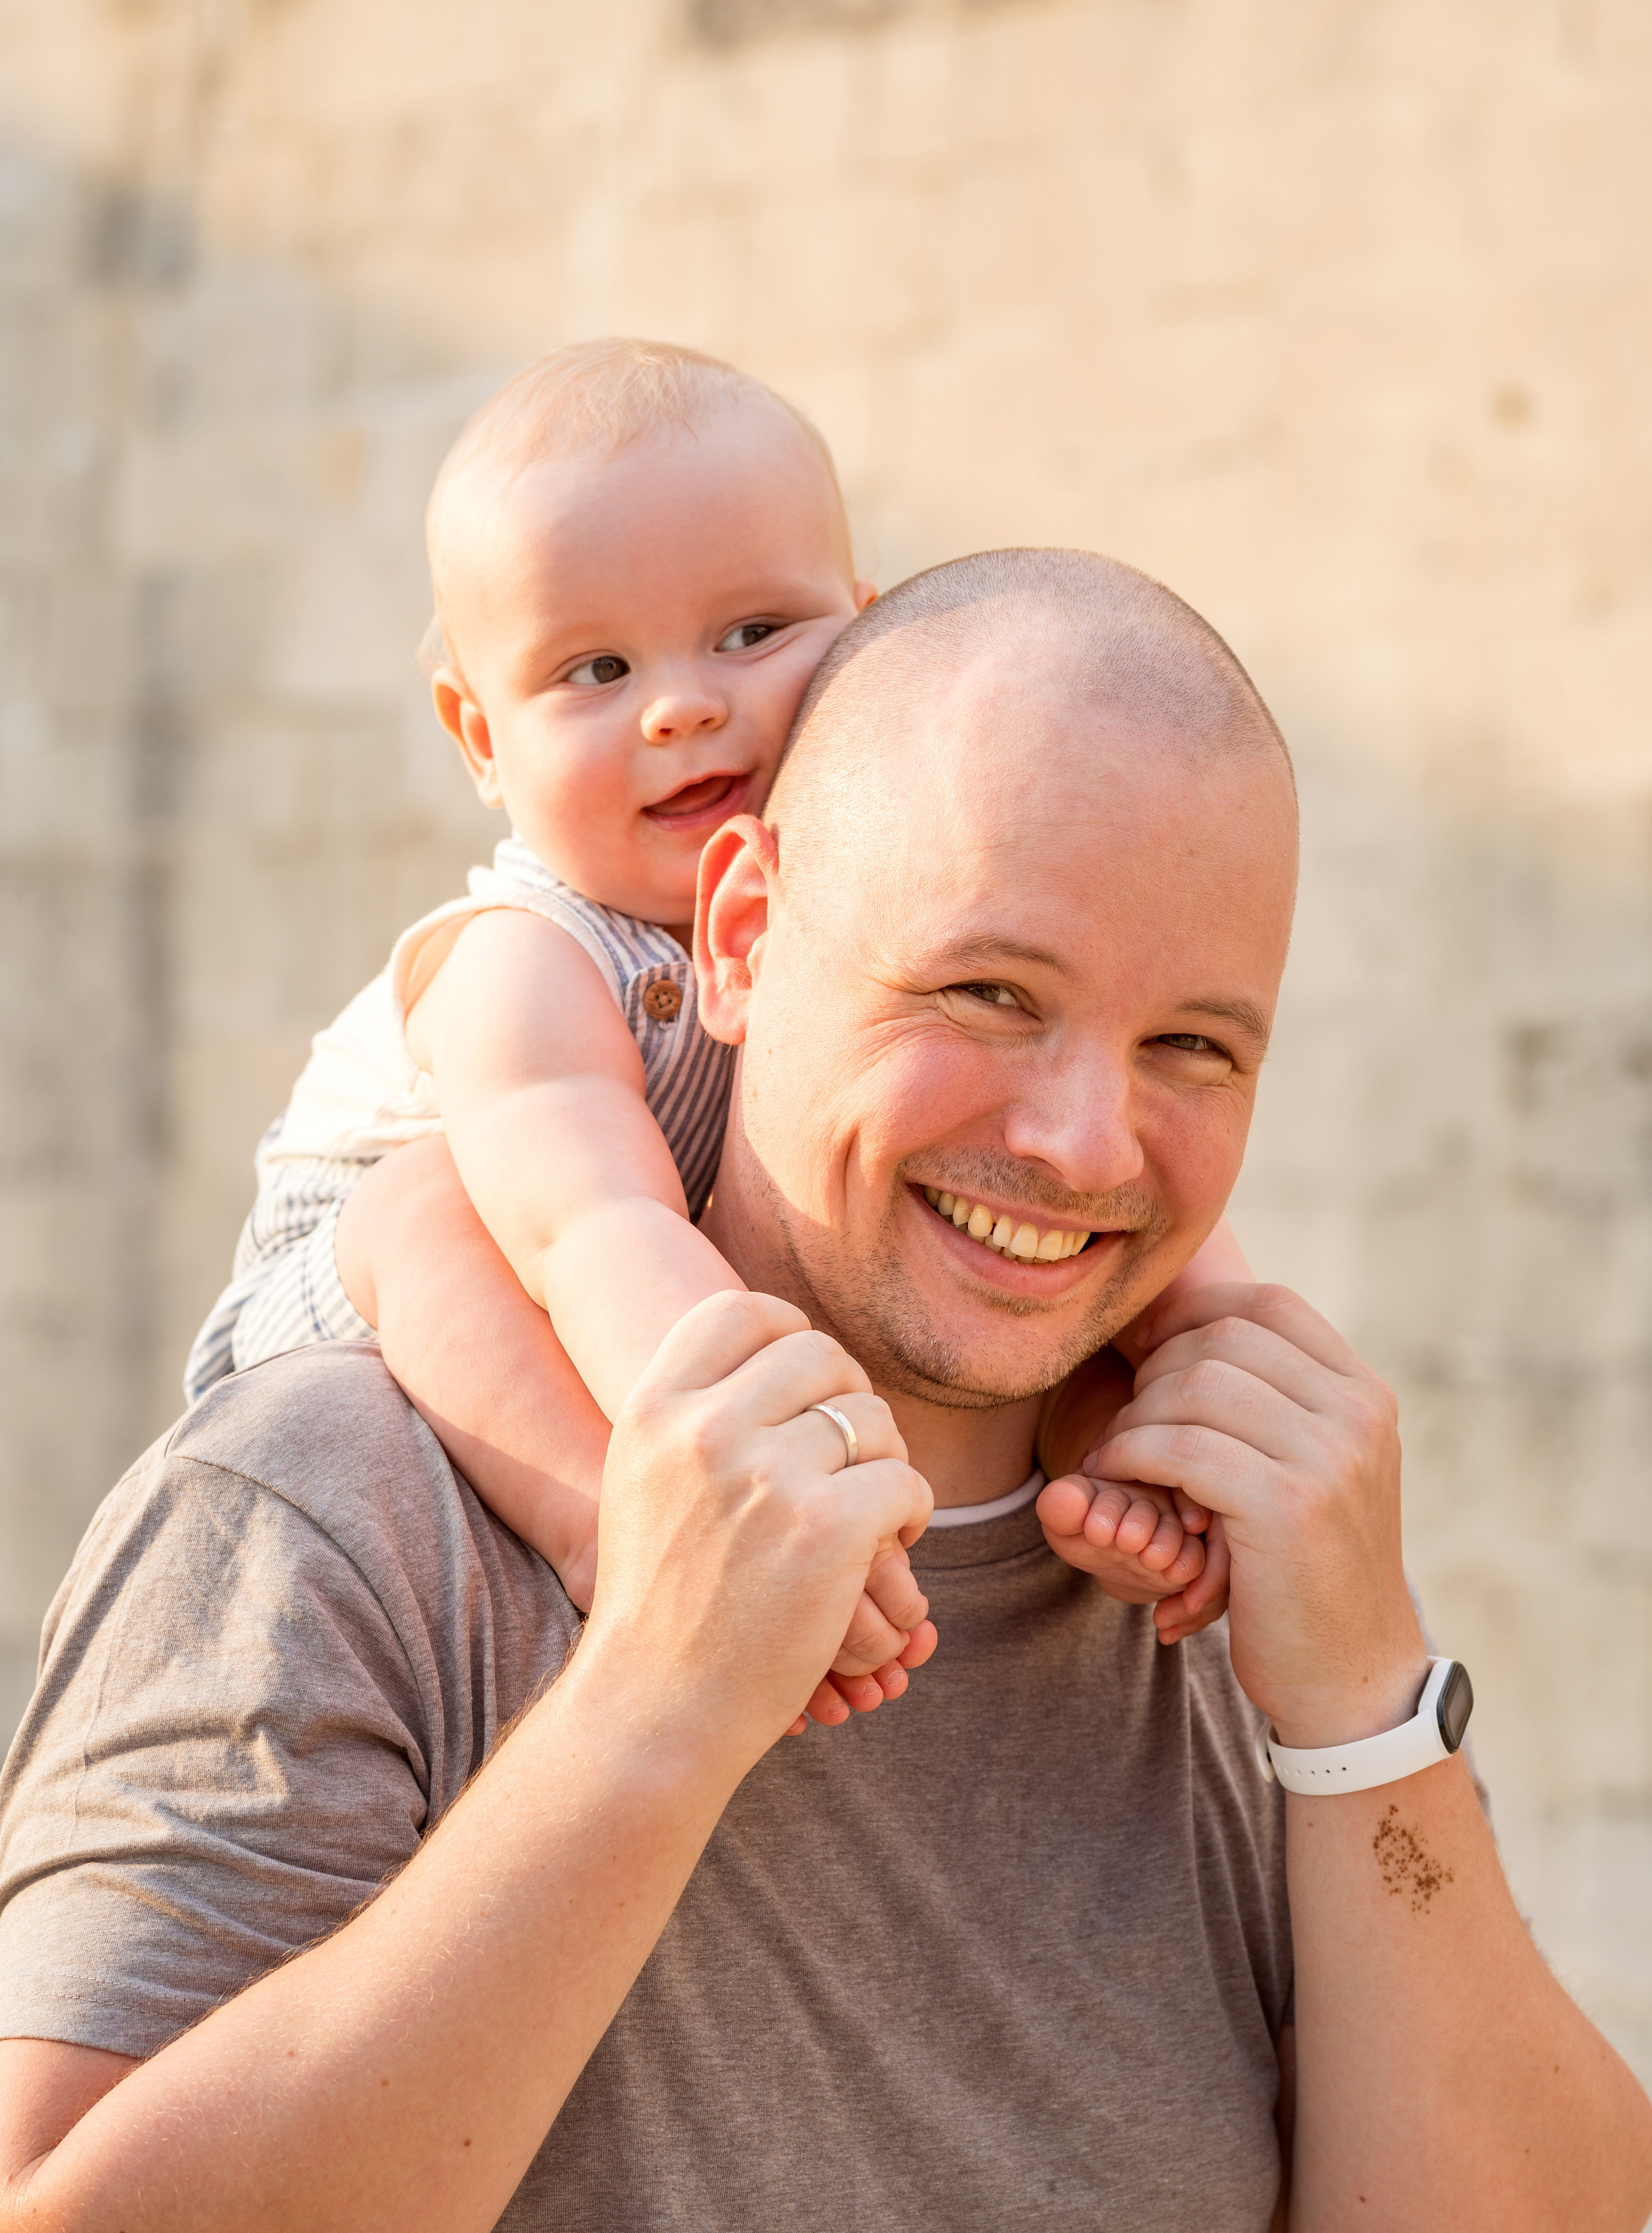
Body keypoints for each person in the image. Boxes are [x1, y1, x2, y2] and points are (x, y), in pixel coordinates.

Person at [1, 552, 1647, 2233]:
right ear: (748, 935)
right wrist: (663, 1697)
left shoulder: (1219, 1575)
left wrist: (1366, 1701)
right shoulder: (331, 1504)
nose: (1084, 1143)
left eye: (1195, 1045)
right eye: (988, 992)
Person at [182, 339, 1234, 1719]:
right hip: (391, 1292)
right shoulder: (529, 956)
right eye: (595, 668)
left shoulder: (856, 924)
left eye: (751, 634)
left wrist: (1216, 1351)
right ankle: (605, 1537)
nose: (681, 703)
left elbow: (1093, 1179)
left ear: (862, 644)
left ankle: (1110, 1453)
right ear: (479, 736)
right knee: (430, 1212)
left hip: (636, 1293)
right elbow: (585, 1228)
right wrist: (765, 1451)